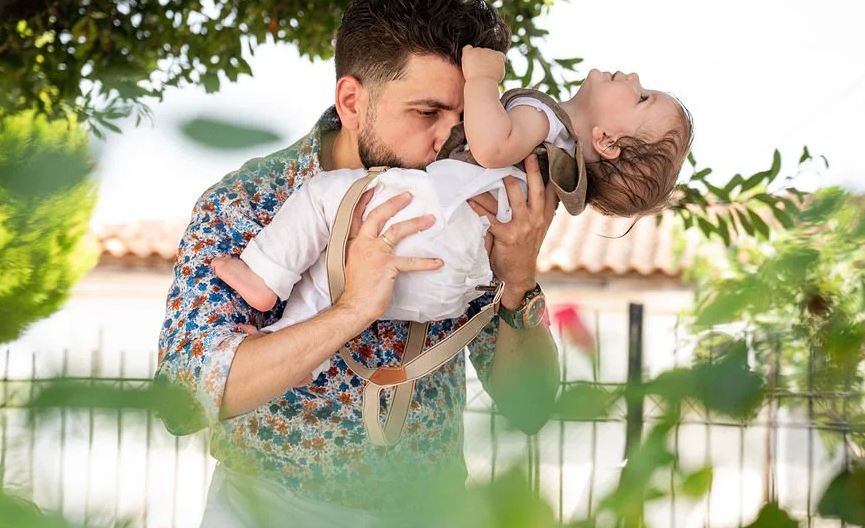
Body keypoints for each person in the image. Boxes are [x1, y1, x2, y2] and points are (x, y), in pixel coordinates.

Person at [156, 0, 563, 528]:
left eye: (465, 116)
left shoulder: (473, 196)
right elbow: (184, 398)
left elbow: (531, 407)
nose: (453, 142)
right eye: (427, 113)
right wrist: (351, 311)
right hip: (262, 522)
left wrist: (519, 281)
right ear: (352, 101)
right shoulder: (249, 202)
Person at [210, 47, 692, 368]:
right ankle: (299, 350)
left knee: (322, 199)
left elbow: (490, 144)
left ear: (606, 141)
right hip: (454, 287)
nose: (631, 77)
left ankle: (264, 274)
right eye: (428, 111)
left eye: (642, 96)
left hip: (434, 218)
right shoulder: (555, 174)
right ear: (353, 101)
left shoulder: (543, 120)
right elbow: (198, 388)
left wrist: (484, 78)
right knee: (332, 288)